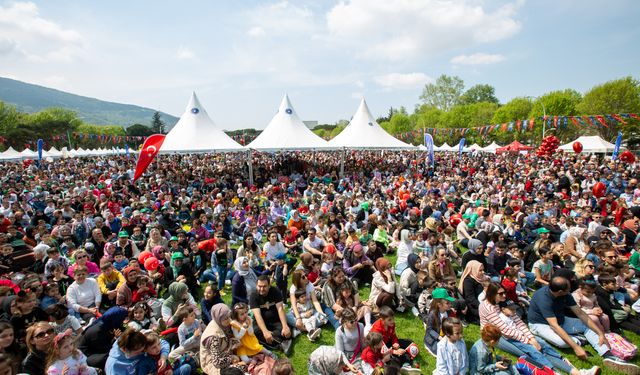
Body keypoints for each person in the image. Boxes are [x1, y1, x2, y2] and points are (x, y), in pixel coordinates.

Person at [528, 276, 638, 373]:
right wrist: (576, 347)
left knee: (587, 326)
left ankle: (608, 355)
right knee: (562, 343)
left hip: (561, 319)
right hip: (540, 324)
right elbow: (554, 326)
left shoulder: (565, 294)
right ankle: (579, 340)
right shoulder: (543, 298)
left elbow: (581, 313)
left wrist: (600, 333)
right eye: (568, 290)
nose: (571, 291)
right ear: (561, 291)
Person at [479, 283, 589, 375]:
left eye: (504, 293)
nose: (504, 295)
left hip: (513, 330)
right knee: (533, 351)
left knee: (541, 344)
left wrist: (531, 338)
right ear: (492, 294)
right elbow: (505, 330)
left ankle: (572, 369)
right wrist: (528, 341)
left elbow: (518, 322)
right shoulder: (487, 307)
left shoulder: (502, 302)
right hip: (496, 335)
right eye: (501, 294)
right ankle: (553, 371)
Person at [249, 276, 294, 354]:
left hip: (275, 320)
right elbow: (257, 315)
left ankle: (281, 337)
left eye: (264, 286)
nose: (262, 289)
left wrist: (285, 326)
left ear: (269, 285)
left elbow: (280, 309)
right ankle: (281, 344)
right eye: (259, 286)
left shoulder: (275, 291)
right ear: (256, 285)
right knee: (255, 333)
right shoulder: (253, 295)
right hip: (261, 322)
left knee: (284, 328)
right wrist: (265, 331)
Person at [200, 304, 247, 375]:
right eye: (225, 319)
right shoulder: (213, 336)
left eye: (229, 316)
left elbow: (229, 338)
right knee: (238, 371)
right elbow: (217, 363)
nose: (229, 320)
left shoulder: (222, 323)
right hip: (213, 365)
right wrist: (231, 358)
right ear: (218, 318)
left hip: (224, 355)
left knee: (244, 366)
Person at [424, 288, 455, 358]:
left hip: (445, 335)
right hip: (434, 339)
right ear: (439, 305)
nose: (450, 305)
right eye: (447, 303)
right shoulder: (432, 314)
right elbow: (429, 329)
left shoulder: (449, 312)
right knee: (443, 353)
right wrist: (439, 337)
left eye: (450, 302)